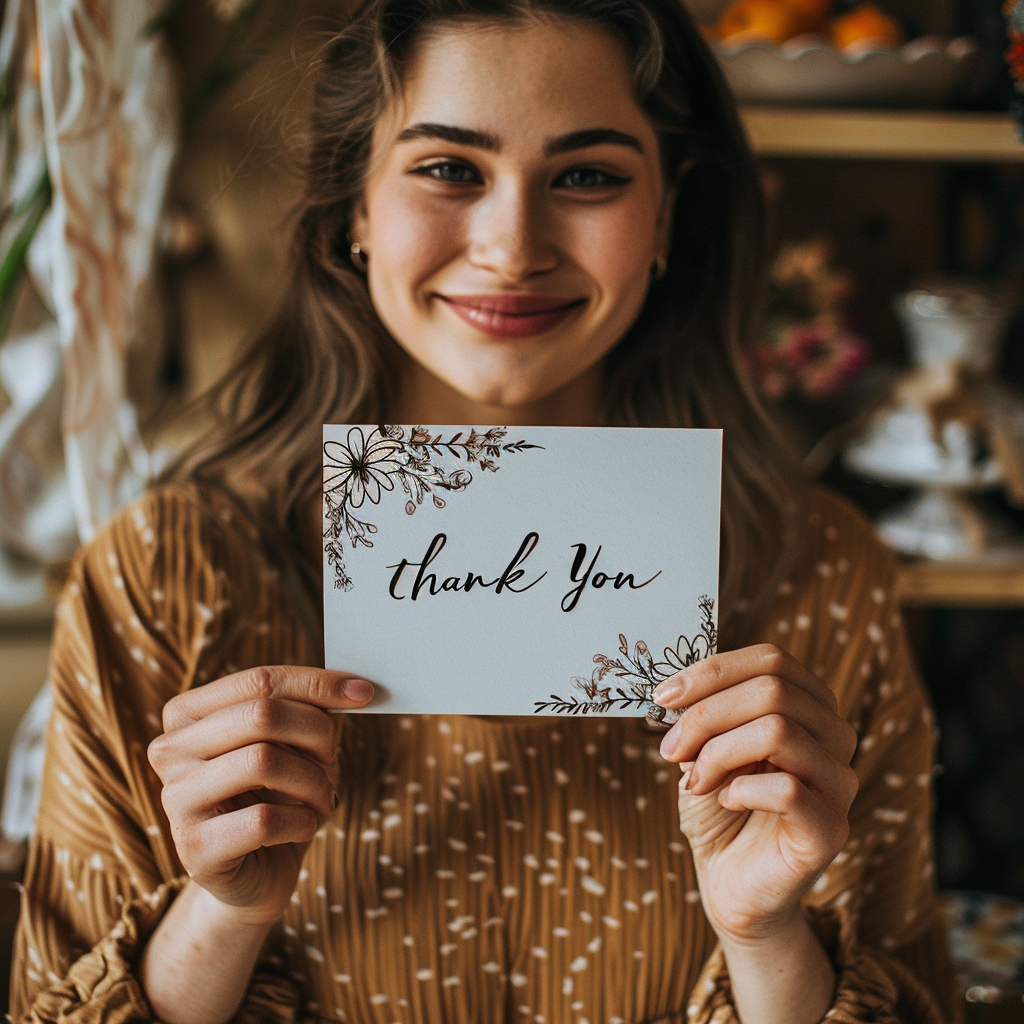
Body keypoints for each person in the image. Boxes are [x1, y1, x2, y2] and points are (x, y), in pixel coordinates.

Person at [11, 1, 958, 1022]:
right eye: (448, 169)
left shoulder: (821, 573)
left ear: (669, 215)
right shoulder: (165, 574)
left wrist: (767, 937)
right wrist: (219, 914)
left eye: (587, 175)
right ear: (355, 208)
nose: (512, 247)